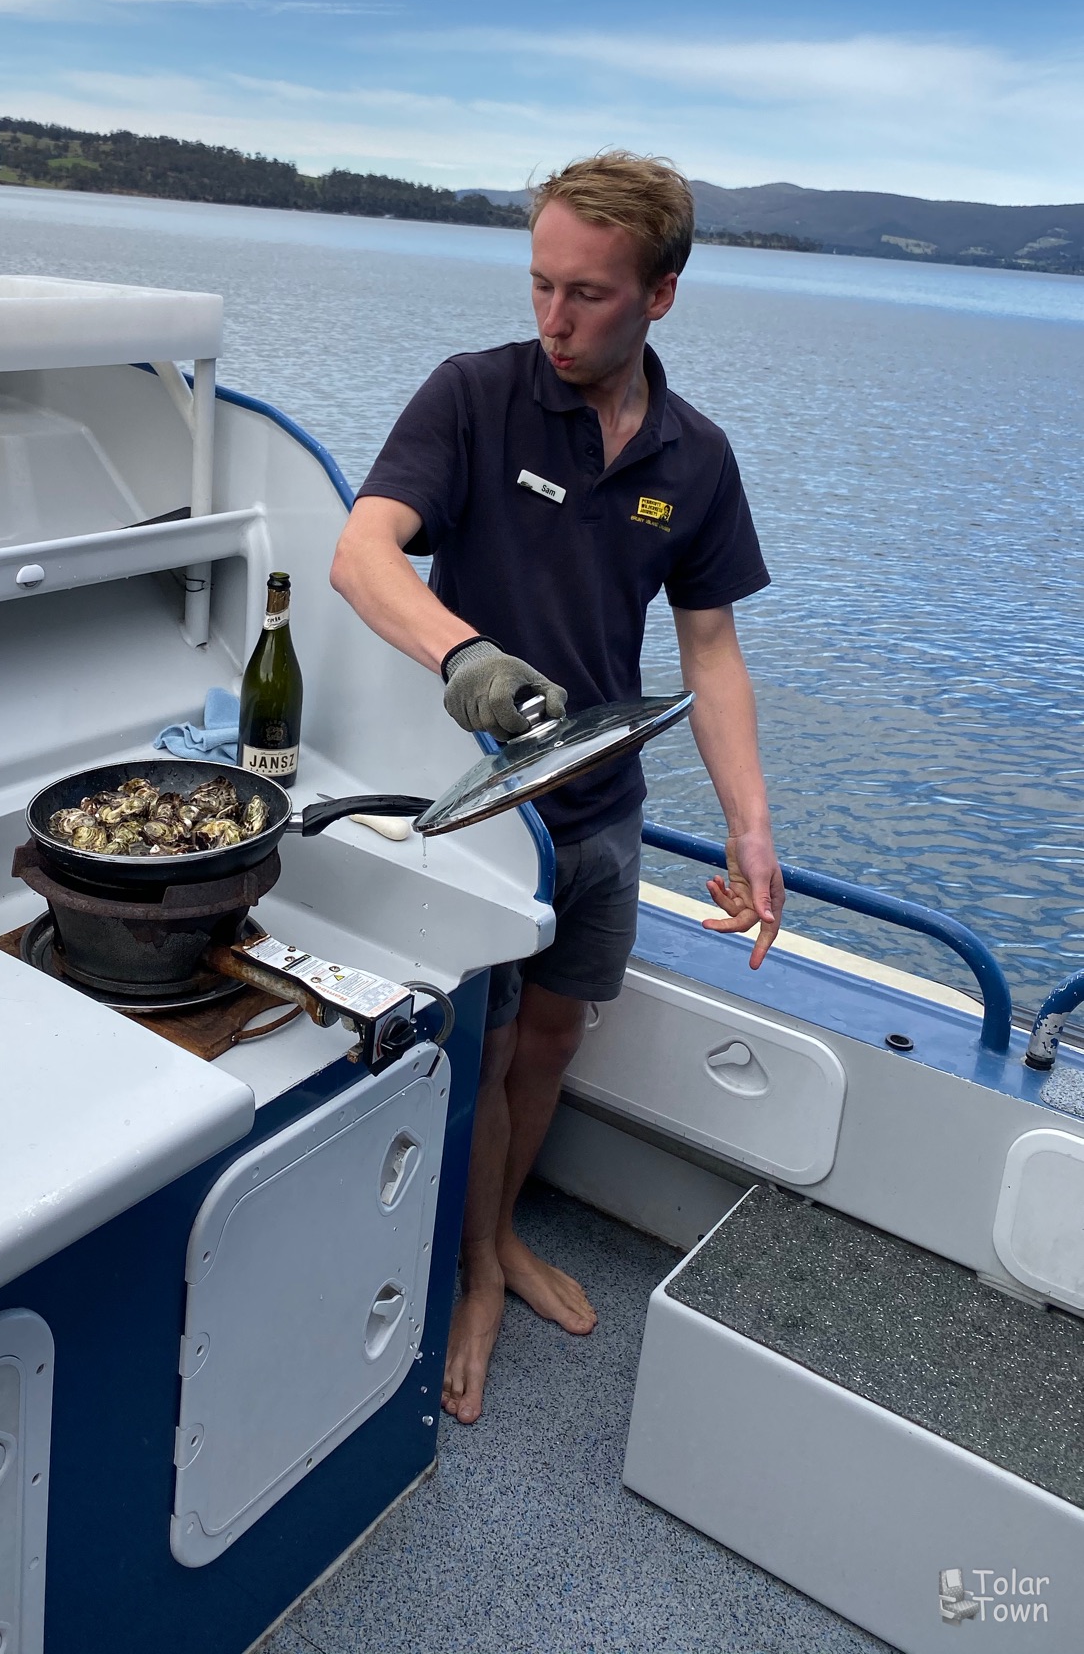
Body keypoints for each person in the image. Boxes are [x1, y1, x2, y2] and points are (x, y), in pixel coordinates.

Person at [329, 151, 785, 1424]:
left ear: (663, 296)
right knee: (478, 1046)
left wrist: (751, 826)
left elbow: (709, 648)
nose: (555, 317)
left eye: (588, 293)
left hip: (603, 814)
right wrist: (459, 652)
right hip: (482, 819)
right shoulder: (475, 397)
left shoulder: (696, 456)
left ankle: (500, 1235)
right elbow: (361, 552)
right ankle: (476, 1269)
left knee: (551, 1043)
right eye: (539, 282)